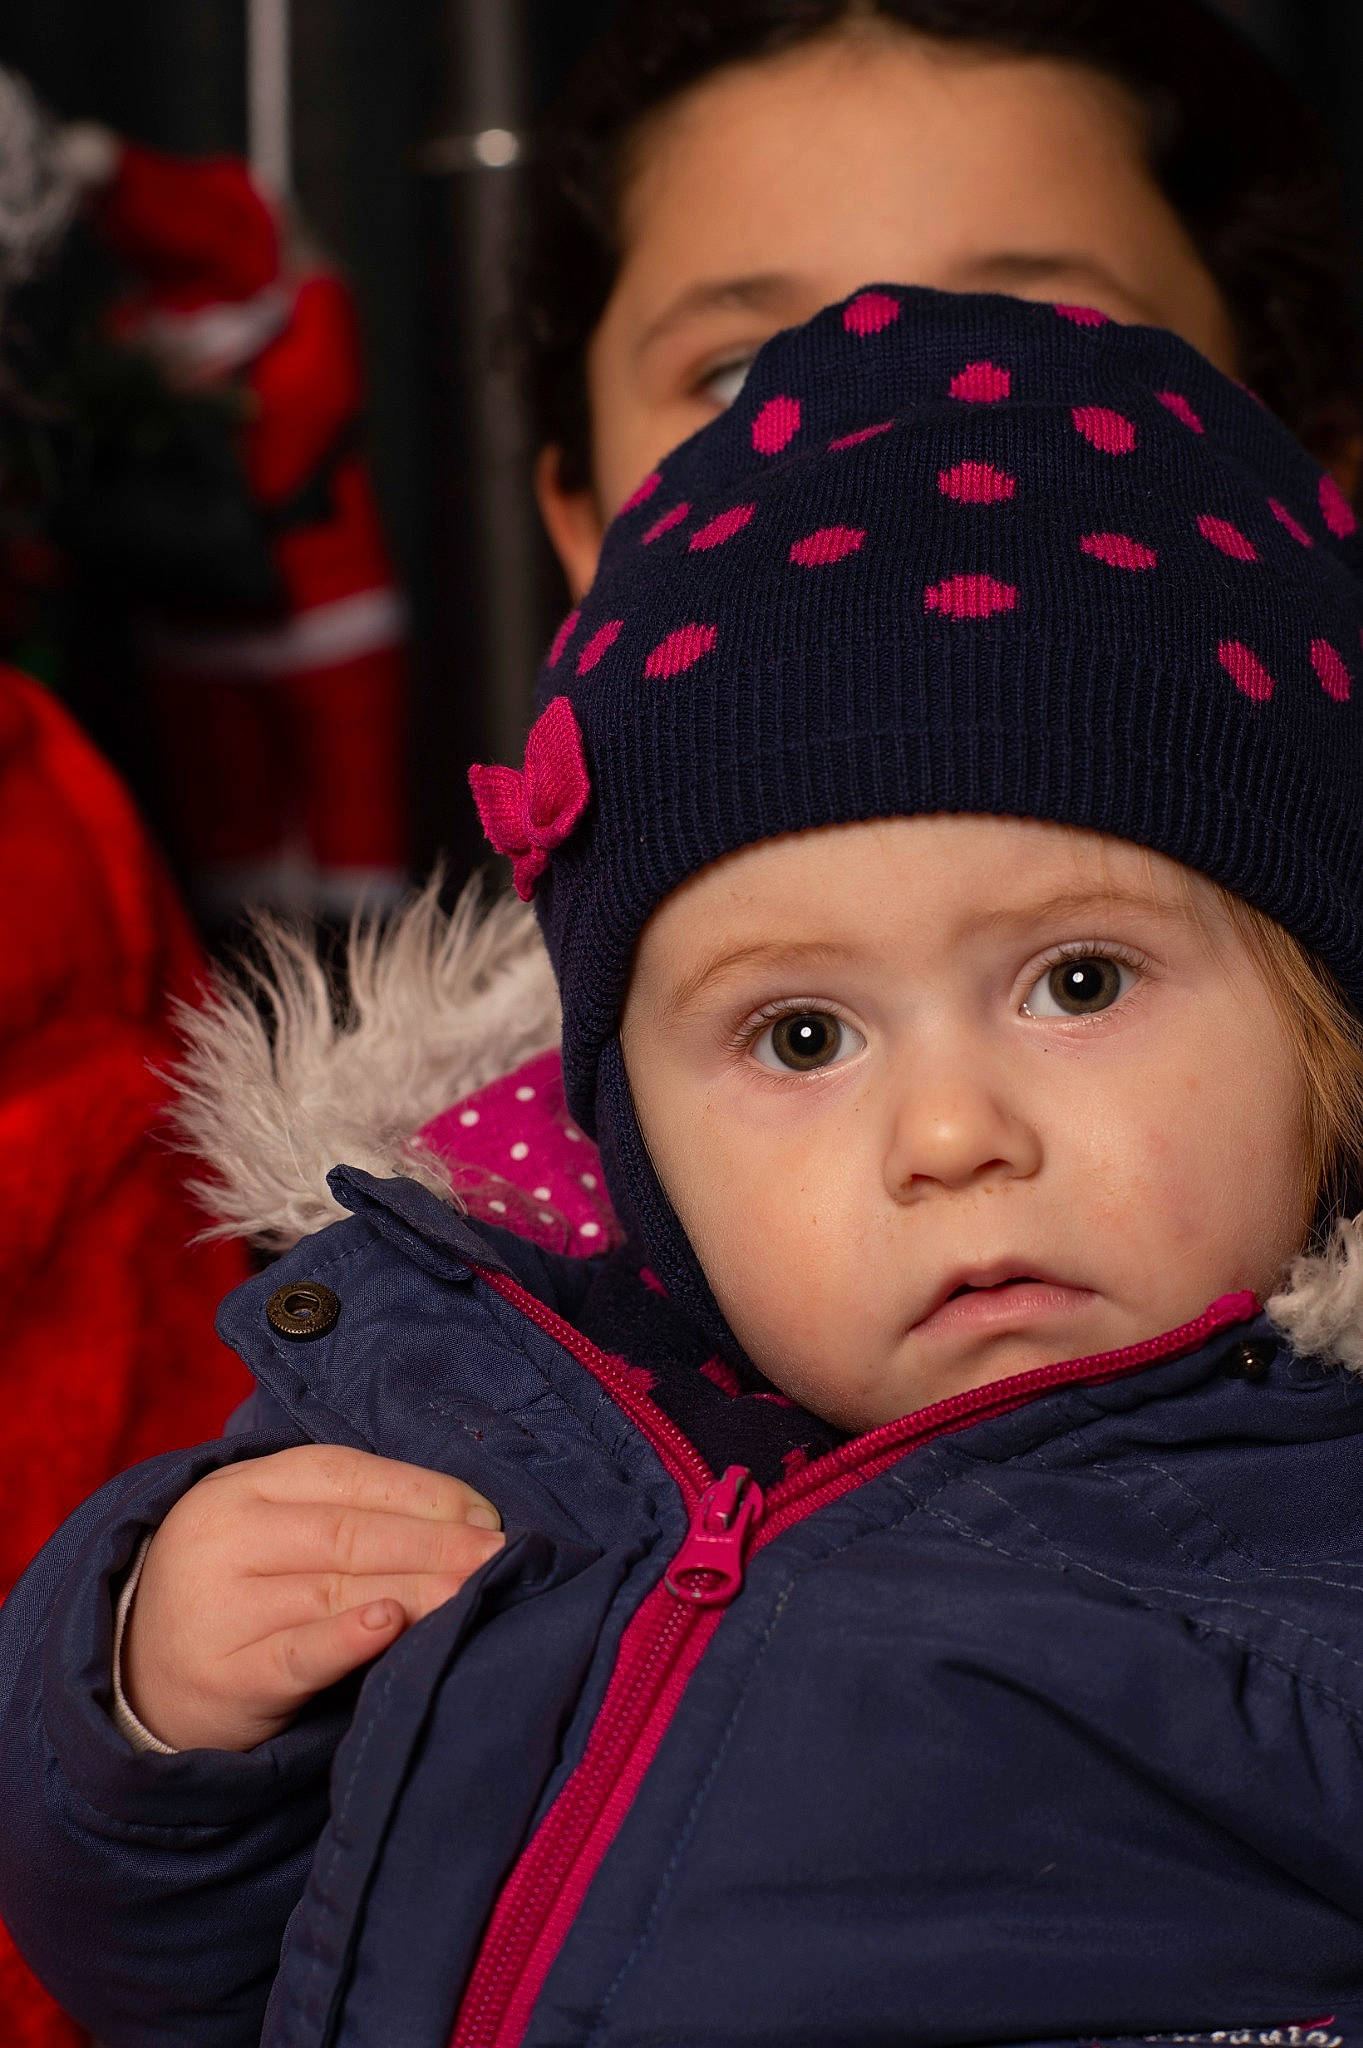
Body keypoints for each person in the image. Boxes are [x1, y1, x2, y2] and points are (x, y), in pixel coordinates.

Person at [6, 283, 1363, 2043]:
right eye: (801, 1037)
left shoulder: (1311, 1561)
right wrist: (155, 1702)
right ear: (631, 1137)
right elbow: (180, 1980)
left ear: (1328, 1028)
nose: (952, 1137)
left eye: (1077, 982)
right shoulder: (472, 1434)